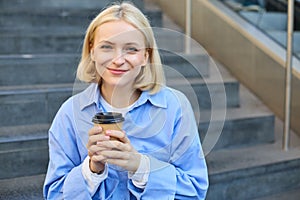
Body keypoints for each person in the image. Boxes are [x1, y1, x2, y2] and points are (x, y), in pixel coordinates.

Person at [43, 2, 208, 199]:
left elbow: (195, 190)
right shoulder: (70, 112)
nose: (118, 59)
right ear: (92, 51)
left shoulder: (175, 106)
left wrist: (140, 166)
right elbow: (54, 194)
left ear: (146, 56)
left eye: (131, 49)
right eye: (106, 47)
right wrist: (91, 169)